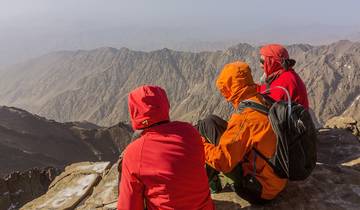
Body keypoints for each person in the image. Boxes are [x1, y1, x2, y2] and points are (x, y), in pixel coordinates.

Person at [197, 61, 287, 204]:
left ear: (229, 88)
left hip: (258, 190)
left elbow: (223, 162)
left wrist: (200, 145)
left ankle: (207, 186)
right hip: (276, 179)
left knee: (203, 130)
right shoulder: (263, 100)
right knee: (210, 121)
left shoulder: (245, 118)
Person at [117, 85, 214, 210]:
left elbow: (129, 206)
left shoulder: (134, 152)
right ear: (165, 104)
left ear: (134, 112)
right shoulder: (190, 131)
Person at [258, 44, 309, 109]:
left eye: (262, 62)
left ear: (273, 63)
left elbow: (270, 106)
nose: (260, 66)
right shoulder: (284, 75)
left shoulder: (285, 82)